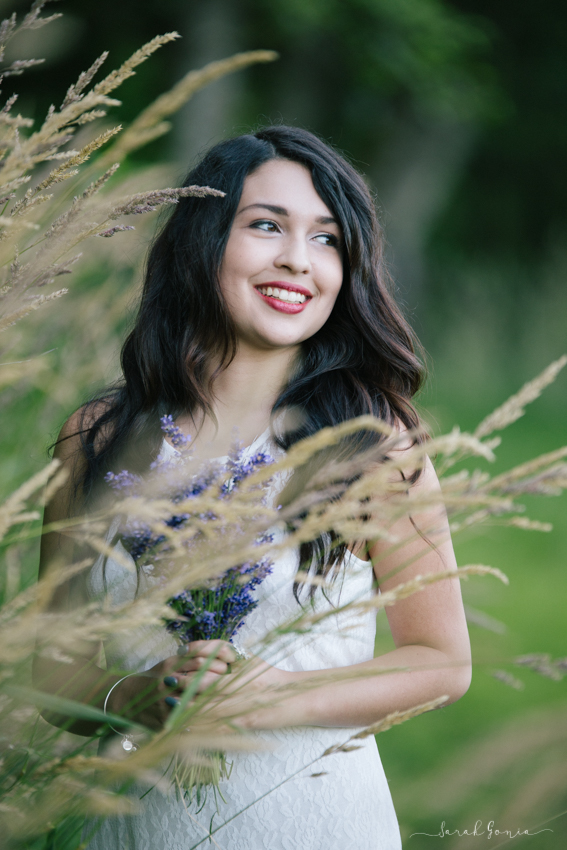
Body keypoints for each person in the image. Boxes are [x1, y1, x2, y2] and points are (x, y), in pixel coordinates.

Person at [36, 125, 472, 849]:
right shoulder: (100, 440)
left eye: (327, 239)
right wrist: (140, 694)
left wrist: (266, 697)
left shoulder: (369, 443)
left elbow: (441, 663)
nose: (297, 260)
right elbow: (54, 668)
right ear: (201, 242)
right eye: (265, 226)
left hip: (314, 817)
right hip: (132, 821)